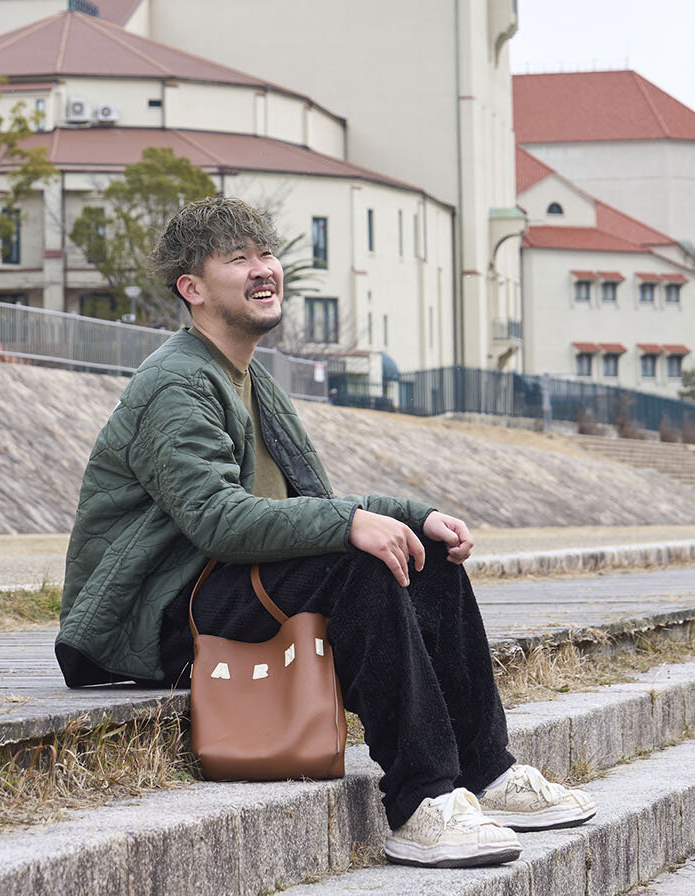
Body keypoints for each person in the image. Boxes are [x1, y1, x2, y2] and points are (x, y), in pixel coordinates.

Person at [56, 196, 595, 868]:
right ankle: (421, 804)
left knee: (420, 554)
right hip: (157, 612)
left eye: (266, 254)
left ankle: (482, 772)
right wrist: (352, 525)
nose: (263, 270)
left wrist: (409, 515)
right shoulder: (177, 384)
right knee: (359, 563)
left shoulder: (247, 376)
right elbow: (220, 521)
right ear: (191, 289)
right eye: (238, 259)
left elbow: (309, 505)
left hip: (224, 585)